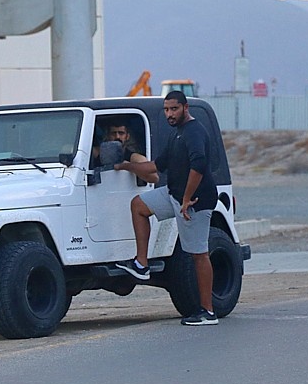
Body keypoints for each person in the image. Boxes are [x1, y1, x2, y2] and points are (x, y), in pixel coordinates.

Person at [114, 91, 218, 326]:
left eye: (174, 109)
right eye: (166, 110)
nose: (169, 114)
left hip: (195, 201)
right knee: (139, 205)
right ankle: (142, 264)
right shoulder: (176, 134)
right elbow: (156, 166)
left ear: (185, 107)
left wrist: (187, 198)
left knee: (198, 254)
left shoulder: (194, 132)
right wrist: (125, 165)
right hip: (174, 195)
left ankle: (208, 312)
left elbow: (199, 165)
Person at [93, 117, 159, 183]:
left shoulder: (134, 158)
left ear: (127, 136)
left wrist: (127, 166)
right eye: (113, 133)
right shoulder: (98, 153)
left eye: (121, 133)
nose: (117, 137)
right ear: (108, 135)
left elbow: (154, 178)